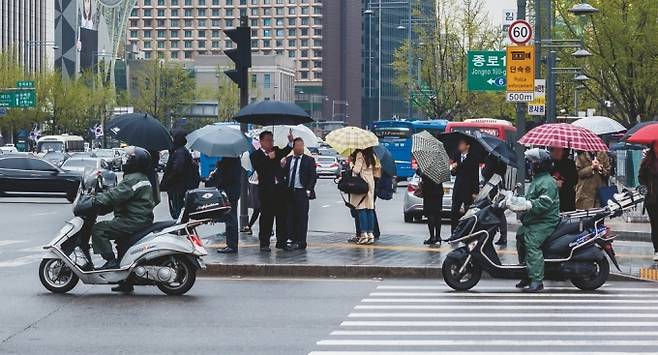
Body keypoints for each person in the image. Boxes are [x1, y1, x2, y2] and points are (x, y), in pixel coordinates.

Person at [90, 147, 155, 273]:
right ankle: (126, 279)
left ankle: (111, 261)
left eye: (130, 158)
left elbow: (116, 195)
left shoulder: (133, 179)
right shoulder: (141, 177)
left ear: (136, 161)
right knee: (122, 243)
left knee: (99, 229)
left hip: (133, 220)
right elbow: (120, 198)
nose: (127, 161)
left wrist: (95, 199)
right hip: (139, 218)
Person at [507, 148, 560, 292]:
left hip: (545, 221)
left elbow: (544, 203)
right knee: (520, 236)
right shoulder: (538, 179)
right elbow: (531, 199)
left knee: (531, 243)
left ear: (540, 165)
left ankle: (537, 280)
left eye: (533, 162)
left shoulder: (547, 182)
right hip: (534, 220)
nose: (531, 164)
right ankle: (526, 273)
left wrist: (528, 204)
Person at [250, 130, 293, 252]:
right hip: (266, 191)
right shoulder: (255, 155)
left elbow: (285, 150)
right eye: (268, 140)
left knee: (282, 217)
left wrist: (290, 142)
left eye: (271, 140)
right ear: (261, 141)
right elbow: (259, 168)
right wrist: (268, 158)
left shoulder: (276, 150)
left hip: (279, 190)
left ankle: (282, 242)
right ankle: (264, 242)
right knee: (266, 218)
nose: (270, 143)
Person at [283, 138, 317, 250]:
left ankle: (301, 241)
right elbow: (283, 174)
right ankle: (291, 238)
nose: (300, 148)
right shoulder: (288, 160)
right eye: (298, 145)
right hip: (289, 191)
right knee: (290, 216)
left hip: (301, 191)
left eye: (302, 145)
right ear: (293, 147)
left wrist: (308, 189)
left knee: (302, 217)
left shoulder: (309, 160)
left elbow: (313, 177)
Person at [160, 130, 199, 219]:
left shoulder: (179, 152)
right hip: (180, 188)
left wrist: (167, 182)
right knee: (180, 212)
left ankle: (181, 231)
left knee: (178, 213)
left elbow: (177, 169)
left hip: (177, 188)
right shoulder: (180, 151)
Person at [207, 157, 242, 254]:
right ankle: (231, 244)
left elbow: (227, 177)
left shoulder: (230, 160)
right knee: (230, 218)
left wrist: (217, 172)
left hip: (230, 193)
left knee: (231, 218)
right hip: (232, 191)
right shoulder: (231, 159)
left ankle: (232, 245)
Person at [350, 148, 381, 245]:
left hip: (362, 182)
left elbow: (356, 170)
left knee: (361, 208)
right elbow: (377, 171)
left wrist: (351, 163)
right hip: (371, 181)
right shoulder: (373, 155)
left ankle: (364, 234)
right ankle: (370, 233)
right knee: (370, 208)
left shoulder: (360, 154)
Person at [450, 138, 480, 232]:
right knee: (454, 211)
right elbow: (454, 173)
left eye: (462, 144)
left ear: (467, 146)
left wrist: (475, 191)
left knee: (468, 212)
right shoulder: (457, 155)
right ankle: (454, 232)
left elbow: (475, 175)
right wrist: (453, 168)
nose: (460, 145)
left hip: (468, 188)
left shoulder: (473, 158)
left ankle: (466, 232)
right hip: (458, 187)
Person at [481, 153, 508, 245]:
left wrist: (483, 169)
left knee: (491, 211)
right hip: (499, 186)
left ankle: (490, 234)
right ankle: (503, 235)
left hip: (491, 187)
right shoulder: (502, 158)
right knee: (499, 211)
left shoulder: (490, 158)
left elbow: (485, 172)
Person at [638, 143, 658, 261]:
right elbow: (641, 177)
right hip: (652, 199)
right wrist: (645, 187)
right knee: (655, 225)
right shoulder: (647, 161)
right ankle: (657, 249)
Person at [419, 171, 444, 246]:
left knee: (430, 214)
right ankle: (438, 236)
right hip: (438, 192)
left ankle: (432, 237)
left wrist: (419, 171)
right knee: (438, 214)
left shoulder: (426, 168)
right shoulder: (440, 168)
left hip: (429, 193)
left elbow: (422, 176)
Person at [550, 147, 577, 212]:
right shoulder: (549, 164)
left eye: (559, 150)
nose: (556, 152)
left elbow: (575, 180)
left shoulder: (570, 164)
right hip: (553, 197)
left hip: (567, 198)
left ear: (564, 152)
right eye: (554, 150)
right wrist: (553, 182)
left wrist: (563, 183)